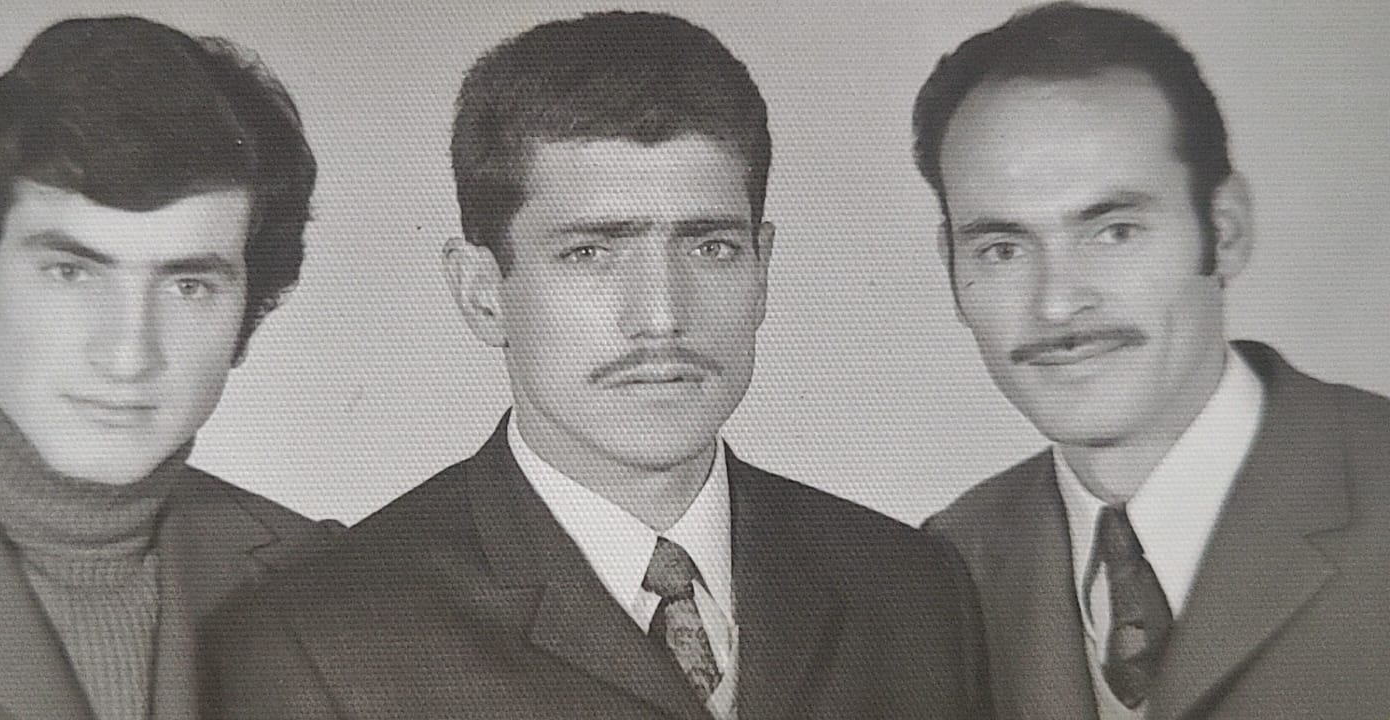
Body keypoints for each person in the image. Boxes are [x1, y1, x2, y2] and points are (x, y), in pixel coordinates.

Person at [202, 10, 987, 720]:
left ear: (761, 271)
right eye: (590, 253)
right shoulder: (319, 641)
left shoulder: (913, 590)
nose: (662, 315)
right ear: (482, 294)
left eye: (711, 248)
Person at [0, 16, 337, 720]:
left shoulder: (319, 574)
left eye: (189, 286)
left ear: (248, 315)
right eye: (72, 273)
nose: (128, 354)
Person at [912, 3, 1390, 718]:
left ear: (1224, 232)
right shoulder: (945, 569)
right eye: (1002, 250)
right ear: (952, 271)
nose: (1057, 304)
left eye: (1115, 231)